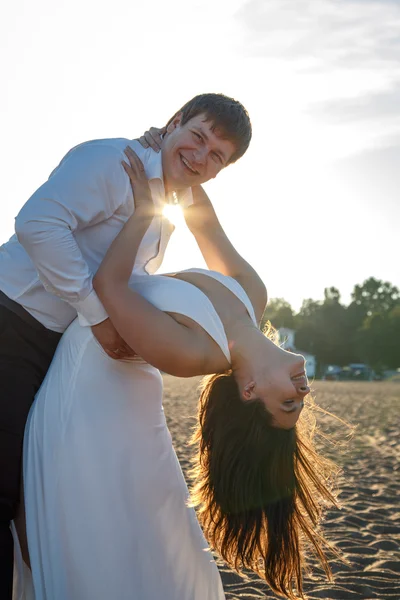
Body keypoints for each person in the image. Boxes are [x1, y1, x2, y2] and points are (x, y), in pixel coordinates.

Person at [17, 148, 339, 600]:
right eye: (300, 403)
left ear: (248, 390)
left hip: (89, 390)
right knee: (136, 522)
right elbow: (200, 216)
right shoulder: (253, 294)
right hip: (122, 396)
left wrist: (142, 210)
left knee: (97, 532)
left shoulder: (195, 354)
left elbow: (111, 287)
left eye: (288, 402)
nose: (303, 393)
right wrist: (171, 151)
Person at [0, 93, 252, 599]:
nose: (201, 155)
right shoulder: (114, 161)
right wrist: (96, 315)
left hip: (56, 349)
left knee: (40, 494)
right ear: (174, 122)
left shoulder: (159, 211)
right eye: (197, 136)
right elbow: (36, 224)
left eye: (216, 156)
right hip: (11, 322)